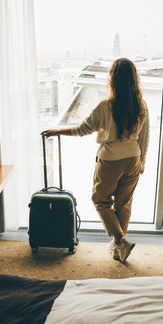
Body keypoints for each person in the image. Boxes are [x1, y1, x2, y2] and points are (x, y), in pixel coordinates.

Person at [41, 57, 149, 263]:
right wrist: (142, 161)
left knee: (100, 200)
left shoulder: (106, 105)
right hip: (133, 158)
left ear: (113, 79)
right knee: (124, 204)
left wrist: (57, 131)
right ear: (134, 79)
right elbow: (145, 136)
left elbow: (83, 129)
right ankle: (120, 247)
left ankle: (120, 241)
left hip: (110, 160)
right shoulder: (141, 105)